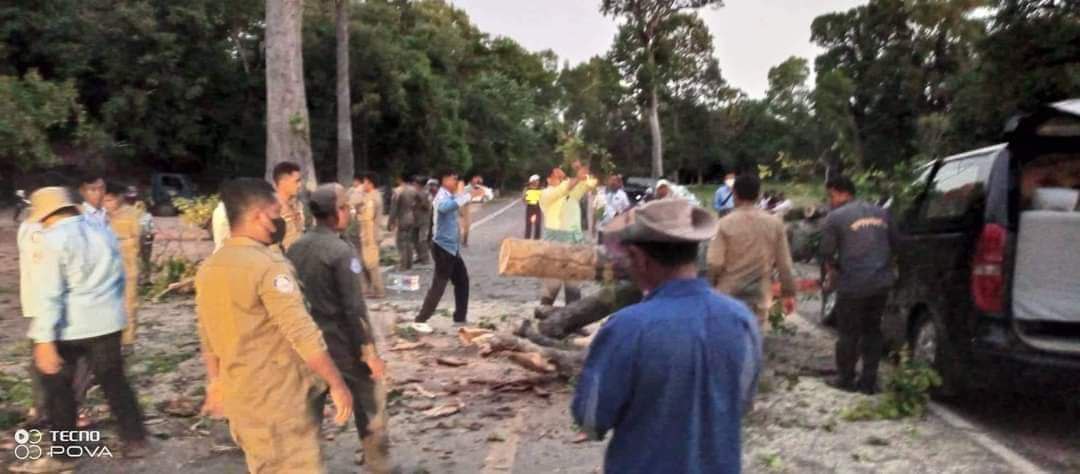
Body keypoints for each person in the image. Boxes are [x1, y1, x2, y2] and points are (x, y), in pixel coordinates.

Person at [572, 199, 761, 474]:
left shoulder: (627, 328)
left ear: (639, 257)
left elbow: (591, 420)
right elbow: (742, 401)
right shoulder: (742, 320)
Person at [195, 178, 353, 473]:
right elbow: (302, 333)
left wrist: (215, 382)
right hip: (281, 400)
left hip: (241, 398)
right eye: (277, 213)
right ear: (260, 216)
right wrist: (336, 383)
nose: (281, 221)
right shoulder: (268, 266)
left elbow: (207, 334)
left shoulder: (209, 268)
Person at [14, 187, 149, 473]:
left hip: (69, 326)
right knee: (114, 381)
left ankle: (64, 454)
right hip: (107, 322)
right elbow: (119, 275)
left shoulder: (53, 240)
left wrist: (44, 339)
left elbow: (49, 293)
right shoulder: (102, 230)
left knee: (58, 390)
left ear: (46, 215)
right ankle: (136, 439)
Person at [286, 184, 393, 472]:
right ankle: (378, 463)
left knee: (309, 408)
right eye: (345, 207)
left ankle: (304, 465)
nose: (350, 212)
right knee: (369, 400)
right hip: (341, 342)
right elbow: (354, 308)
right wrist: (369, 352)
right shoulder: (341, 252)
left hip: (307, 344)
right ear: (335, 213)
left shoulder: (295, 247)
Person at [820, 176, 897, 395]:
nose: (830, 201)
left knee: (848, 332)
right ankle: (869, 381)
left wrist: (833, 272)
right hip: (881, 283)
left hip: (852, 282)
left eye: (831, 196)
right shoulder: (882, 213)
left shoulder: (835, 217)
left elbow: (826, 252)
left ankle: (845, 378)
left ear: (842, 193)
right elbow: (897, 244)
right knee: (872, 330)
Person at [707, 174, 797, 328]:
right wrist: (788, 293)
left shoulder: (723, 224)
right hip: (759, 298)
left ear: (734, 194)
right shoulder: (775, 224)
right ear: (758, 194)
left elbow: (714, 262)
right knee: (753, 337)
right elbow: (785, 264)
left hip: (728, 295)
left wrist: (711, 285)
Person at [411, 171, 486, 331]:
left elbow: (457, 198)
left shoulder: (449, 195)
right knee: (439, 284)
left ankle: (460, 317)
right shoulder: (441, 196)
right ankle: (420, 319)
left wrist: (470, 191)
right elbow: (446, 207)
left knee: (462, 280)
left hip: (451, 248)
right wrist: (469, 196)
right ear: (444, 180)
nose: (456, 181)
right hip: (443, 248)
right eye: (453, 179)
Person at [539, 165, 597, 307]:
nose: (561, 178)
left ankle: (573, 316)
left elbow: (591, 183)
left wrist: (582, 171)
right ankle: (543, 314)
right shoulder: (546, 194)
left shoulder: (571, 193)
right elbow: (562, 189)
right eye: (556, 176)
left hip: (574, 242)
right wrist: (577, 177)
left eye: (562, 176)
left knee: (573, 282)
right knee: (553, 283)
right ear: (548, 179)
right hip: (555, 244)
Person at [103, 184, 144, 348]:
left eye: (110, 200)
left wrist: (119, 243)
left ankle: (128, 340)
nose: (107, 204)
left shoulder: (133, 214)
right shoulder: (98, 215)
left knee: (129, 302)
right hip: (105, 267)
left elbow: (137, 241)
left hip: (127, 265)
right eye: (104, 200)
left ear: (120, 197)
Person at [357, 173, 387, 299]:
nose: (363, 185)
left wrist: (369, 237)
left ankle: (378, 290)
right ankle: (369, 289)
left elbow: (368, 218)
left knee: (372, 263)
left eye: (365, 182)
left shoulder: (373, 198)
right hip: (366, 234)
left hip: (371, 234)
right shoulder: (368, 196)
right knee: (365, 263)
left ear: (370, 183)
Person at [388, 175, 423, 271]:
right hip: (412, 217)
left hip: (402, 218)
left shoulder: (398, 191)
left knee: (401, 242)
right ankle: (409, 264)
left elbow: (393, 209)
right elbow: (421, 201)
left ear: (400, 179)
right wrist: (414, 209)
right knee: (409, 241)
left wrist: (390, 222)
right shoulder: (414, 190)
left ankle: (403, 265)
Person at [271, 161, 307, 251]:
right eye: (297, 181)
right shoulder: (271, 207)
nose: (300, 185)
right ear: (283, 182)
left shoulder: (298, 205)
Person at [460, 175, 494, 248]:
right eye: (477, 181)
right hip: (463, 206)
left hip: (467, 206)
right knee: (465, 226)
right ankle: (463, 241)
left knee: (466, 226)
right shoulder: (467, 188)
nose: (478, 183)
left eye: (479, 182)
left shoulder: (475, 188)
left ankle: (464, 241)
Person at [412, 176, 434, 265]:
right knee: (415, 240)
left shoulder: (427, 194)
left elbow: (428, 207)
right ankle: (419, 256)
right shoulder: (414, 193)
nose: (413, 185)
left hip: (424, 220)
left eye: (415, 184)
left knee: (422, 239)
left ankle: (425, 258)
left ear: (419, 184)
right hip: (415, 219)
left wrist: (420, 200)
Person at [523, 174, 544, 239]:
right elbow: (524, 199)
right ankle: (527, 239)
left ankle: (537, 239)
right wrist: (528, 201)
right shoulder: (527, 189)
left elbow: (543, 198)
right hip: (530, 208)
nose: (538, 182)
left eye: (538, 180)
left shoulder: (541, 189)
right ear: (532, 181)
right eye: (536, 180)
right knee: (528, 224)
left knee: (538, 224)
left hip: (537, 208)